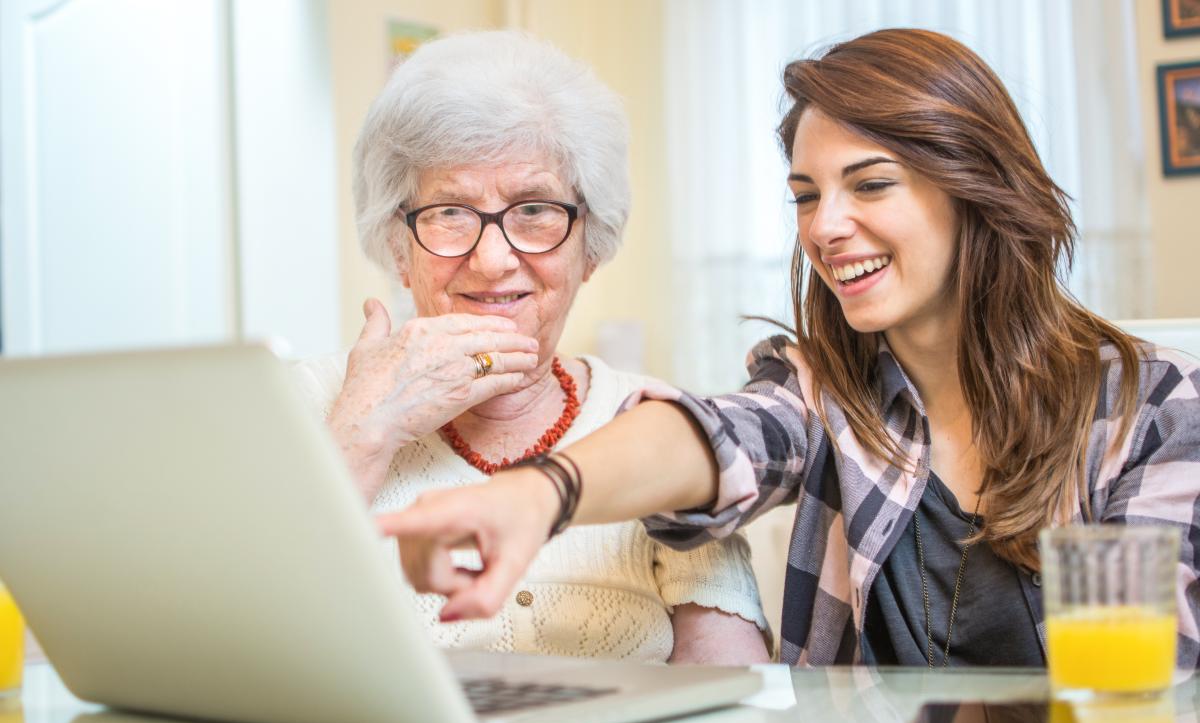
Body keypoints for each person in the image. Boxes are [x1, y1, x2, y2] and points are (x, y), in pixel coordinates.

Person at [378, 28, 1200, 668]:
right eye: (806, 196)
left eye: (870, 184)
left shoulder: (1155, 409)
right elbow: (717, 435)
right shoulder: (821, 392)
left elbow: (1160, 683)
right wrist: (539, 493)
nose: (825, 227)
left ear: (975, 186)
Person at [293, 30, 769, 665]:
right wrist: (365, 432)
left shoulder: (657, 426)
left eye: (534, 210)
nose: (492, 261)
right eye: (450, 212)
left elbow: (732, 701)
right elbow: (226, 638)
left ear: (588, 249)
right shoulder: (307, 404)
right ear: (399, 251)